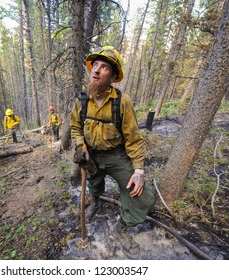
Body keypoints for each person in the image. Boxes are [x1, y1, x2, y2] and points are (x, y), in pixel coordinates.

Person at [70, 46, 156, 257]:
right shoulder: (82, 100)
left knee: (143, 196)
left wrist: (139, 171)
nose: (97, 70)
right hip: (91, 155)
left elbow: (134, 138)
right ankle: (96, 202)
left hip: (117, 155)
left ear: (114, 76)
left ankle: (122, 228)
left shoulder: (122, 101)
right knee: (94, 183)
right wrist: (81, 146)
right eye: (95, 65)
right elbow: (75, 128)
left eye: (104, 67)